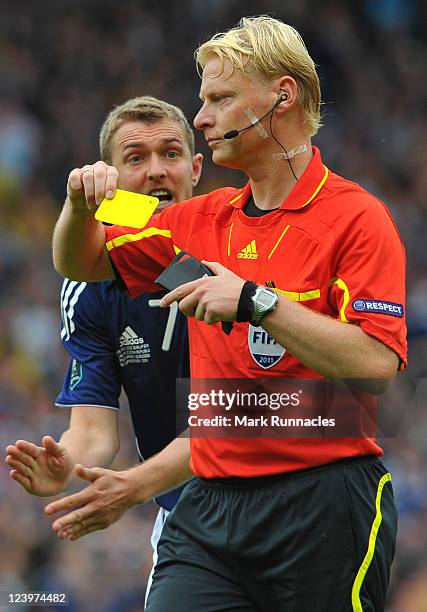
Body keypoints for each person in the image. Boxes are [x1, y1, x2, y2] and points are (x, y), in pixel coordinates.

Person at [51, 16, 407, 612]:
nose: (201, 118)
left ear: (282, 97)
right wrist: (79, 202)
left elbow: (375, 366)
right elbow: (81, 262)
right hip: (208, 513)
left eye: (219, 98)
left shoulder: (357, 216)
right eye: (203, 100)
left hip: (321, 504)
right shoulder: (198, 218)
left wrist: (256, 302)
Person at [5, 95, 202, 600]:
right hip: (187, 516)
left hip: (278, 501)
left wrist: (135, 486)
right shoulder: (90, 286)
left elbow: (238, 419)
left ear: (196, 169)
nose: (156, 171)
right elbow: (94, 431)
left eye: (171, 154)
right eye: (136, 159)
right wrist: (66, 463)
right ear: (107, 179)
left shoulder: (233, 250)